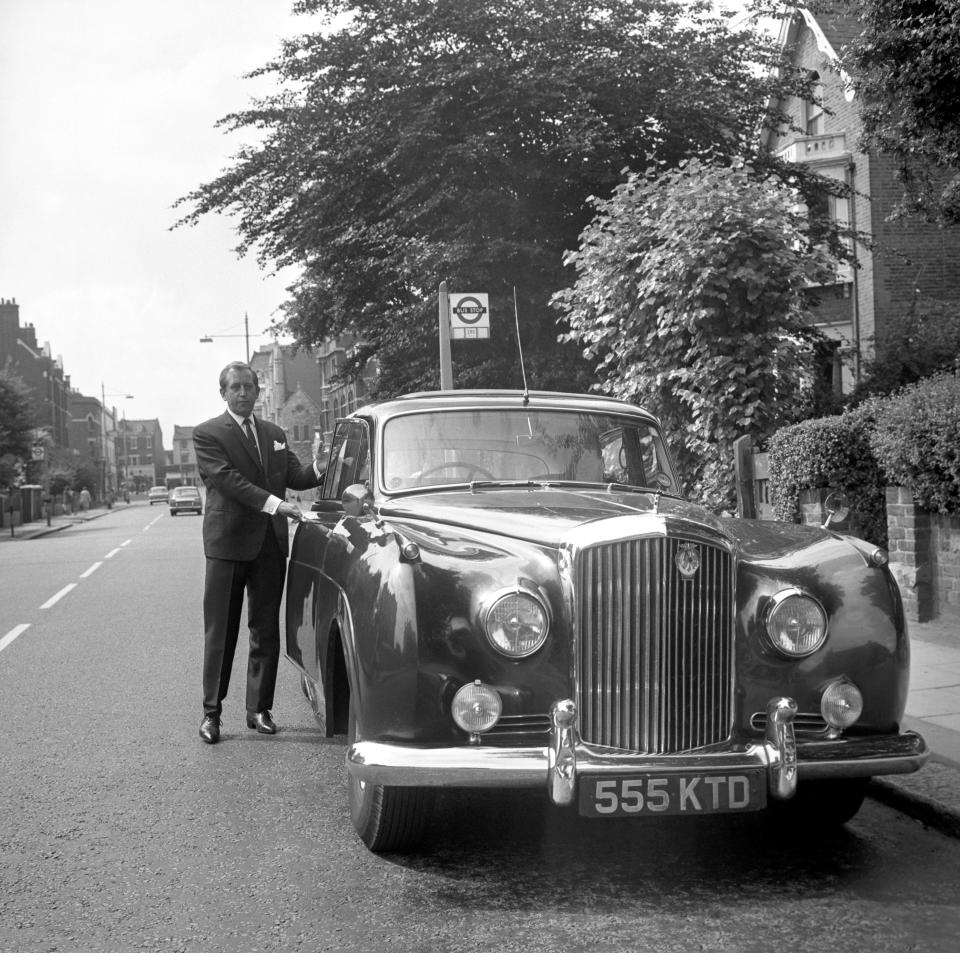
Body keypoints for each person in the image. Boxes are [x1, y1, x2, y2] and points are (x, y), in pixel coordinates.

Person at [193, 361, 324, 745]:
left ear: (258, 391)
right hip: (228, 545)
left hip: (268, 544)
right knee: (221, 632)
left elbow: (295, 479)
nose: (244, 393)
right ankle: (211, 714)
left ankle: (259, 710)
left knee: (265, 630)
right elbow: (228, 481)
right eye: (236, 387)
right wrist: (274, 504)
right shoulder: (208, 434)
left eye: (250, 386)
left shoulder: (274, 433)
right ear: (224, 393)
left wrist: (323, 463)